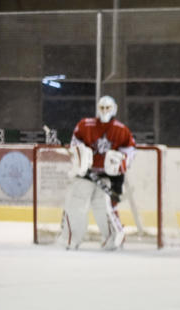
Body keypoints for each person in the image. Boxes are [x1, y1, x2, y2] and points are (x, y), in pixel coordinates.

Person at [57, 95, 135, 250]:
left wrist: (118, 165)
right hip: (86, 174)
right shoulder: (85, 125)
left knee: (104, 207)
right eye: (102, 108)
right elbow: (75, 143)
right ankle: (70, 239)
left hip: (106, 176)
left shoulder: (121, 129)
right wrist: (81, 156)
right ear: (97, 109)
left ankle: (112, 240)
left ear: (114, 109)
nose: (105, 111)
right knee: (76, 204)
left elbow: (129, 152)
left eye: (108, 108)